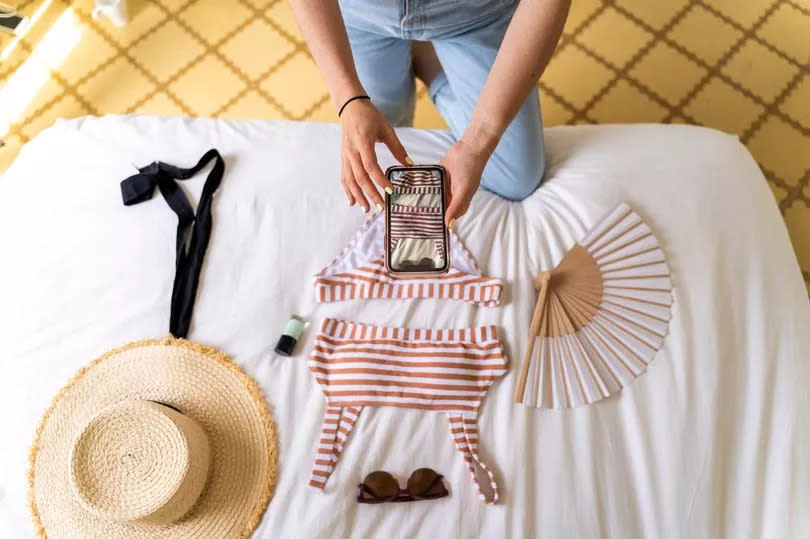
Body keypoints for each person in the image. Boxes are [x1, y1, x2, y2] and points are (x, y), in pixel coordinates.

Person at [289, 0, 571, 227]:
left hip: (477, 15)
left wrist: (476, 144)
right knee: (383, 146)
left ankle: (429, 64)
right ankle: (414, 58)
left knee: (516, 179)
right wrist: (349, 98)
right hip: (362, 16)